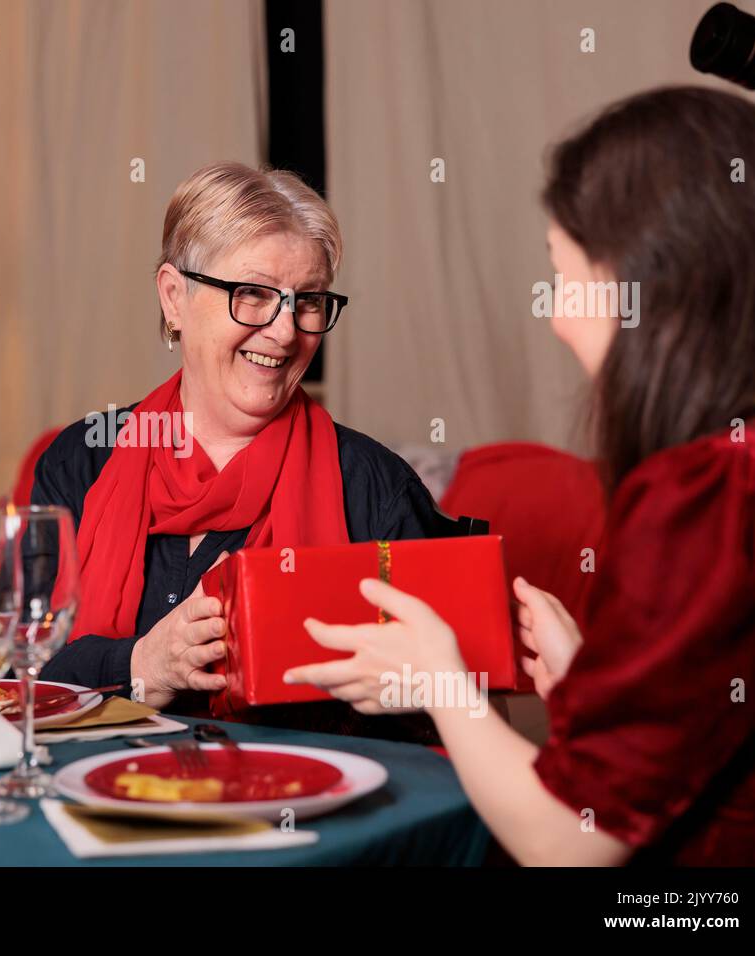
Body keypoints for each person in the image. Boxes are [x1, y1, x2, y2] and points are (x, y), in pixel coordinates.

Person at [286, 87, 755, 865]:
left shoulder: (712, 490)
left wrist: (442, 683)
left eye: (564, 272)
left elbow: (570, 841)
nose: (556, 315)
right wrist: (597, 677)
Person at [36, 161, 464, 723]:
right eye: (253, 293)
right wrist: (142, 664)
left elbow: (452, 718)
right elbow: (10, 677)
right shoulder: (81, 462)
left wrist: (407, 693)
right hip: (93, 799)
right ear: (173, 298)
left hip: (307, 805)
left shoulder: (377, 491)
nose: (286, 332)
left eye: (307, 300)